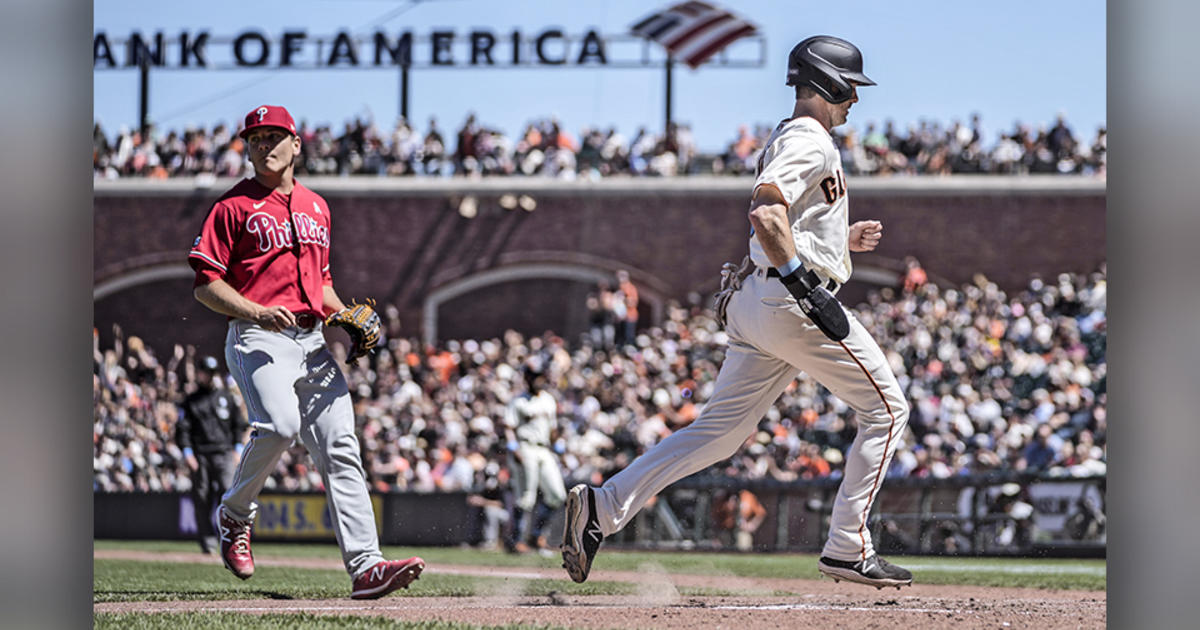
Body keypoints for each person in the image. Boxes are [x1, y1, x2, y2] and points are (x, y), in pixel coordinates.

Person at [562, 36, 913, 590]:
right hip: (788, 301)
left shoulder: (791, 134)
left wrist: (840, 242)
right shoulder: (811, 137)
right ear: (830, 82)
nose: (855, 101)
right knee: (888, 411)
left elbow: (788, 224)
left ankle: (602, 508)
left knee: (719, 434)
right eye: (852, 88)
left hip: (758, 303)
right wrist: (806, 285)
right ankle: (849, 545)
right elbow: (766, 210)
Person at [187, 104, 424, 599]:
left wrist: (344, 315)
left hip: (313, 342)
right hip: (257, 336)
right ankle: (234, 515)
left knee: (341, 448)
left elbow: (322, 283)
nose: (264, 145)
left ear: (297, 144)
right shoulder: (232, 207)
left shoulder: (317, 206)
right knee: (279, 426)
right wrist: (254, 311)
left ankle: (366, 567)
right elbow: (206, 286)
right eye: (255, 138)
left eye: (275, 136)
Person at [176, 355, 250, 554]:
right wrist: (188, 453)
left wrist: (237, 450)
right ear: (199, 374)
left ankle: (231, 540)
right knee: (202, 498)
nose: (208, 377)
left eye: (211, 373)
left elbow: (239, 426)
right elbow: (182, 429)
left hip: (224, 454)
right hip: (200, 456)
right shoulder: (191, 401)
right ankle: (207, 542)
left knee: (228, 495)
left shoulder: (226, 398)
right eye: (205, 372)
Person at [504, 357, 567, 553]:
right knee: (526, 498)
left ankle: (537, 534)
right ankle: (515, 541)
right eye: (533, 376)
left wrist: (560, 447)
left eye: (539, 375)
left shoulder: (548, 399)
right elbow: (508, 427)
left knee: (557, 495)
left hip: (544, 448)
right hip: (526, 447)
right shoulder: (518, 401)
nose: (537, 379)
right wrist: (513, 448)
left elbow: (553, 429)